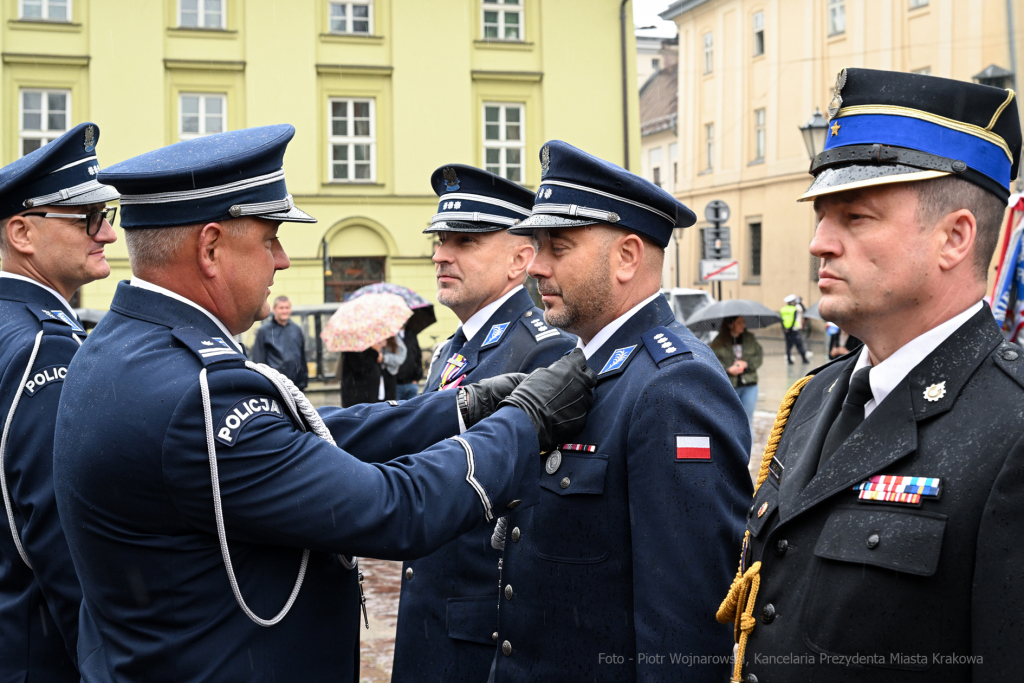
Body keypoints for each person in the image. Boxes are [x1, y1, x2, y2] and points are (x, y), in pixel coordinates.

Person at [51, 125, 596, 683]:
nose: (283, 261)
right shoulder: (199, 395)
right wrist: (523, 423)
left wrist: (459, 409)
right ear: (210, 248)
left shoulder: (118, 348)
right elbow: (393, 507)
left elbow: (307, 432)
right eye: (269, 239)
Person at [718, 68, 1023, 682]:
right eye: (821, 216)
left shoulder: (1012, 429)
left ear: (954, 238)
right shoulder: (815, 397)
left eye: (855, 217)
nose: (819, 244)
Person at [495, 140, 752, 682]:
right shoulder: (584, 365)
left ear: (628, 256)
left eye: (557, 248)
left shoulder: (673, 386)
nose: (536, 267)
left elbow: (685, 625)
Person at [390, 164, 576, 683]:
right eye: (440, 240)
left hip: (481, 635)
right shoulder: (454, 346)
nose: (440, 254)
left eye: (465, 241)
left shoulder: (544, 349)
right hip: (431, 613)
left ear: (521, 259)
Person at [0, 122, 119, 682]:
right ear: (22, 233)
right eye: (88, 219)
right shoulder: (44, 345)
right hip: (37, 652)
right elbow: (60, 533)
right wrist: (108, 667)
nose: (108, 234)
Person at [710, 315, 763, 437]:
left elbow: (758, 357)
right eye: (739, 323)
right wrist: (728, 368)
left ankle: (747, 454)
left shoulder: (750, 339)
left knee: (747, 421)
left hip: (750, 386)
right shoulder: (718, 342)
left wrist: (747, 364)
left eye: (743, 322)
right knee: (730, 421)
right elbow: (712, 361)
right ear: (730, 324)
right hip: (730, 387)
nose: (743, 325)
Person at [250, 295, 307, 389]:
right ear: (274, 309)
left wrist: (304, 380)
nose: (285, 311)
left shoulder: (296, 329)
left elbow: (302, 357)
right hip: (275, 385)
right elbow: (258, 358)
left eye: (287, 308)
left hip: (296, 385)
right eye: (281, 308)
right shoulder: (264, 331)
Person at [780, 294, 811, 364]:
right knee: (799, 344)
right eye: (793, 301)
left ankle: (789, 359)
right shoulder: (794, 309)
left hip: (786, 330)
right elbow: (793, 319)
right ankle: (804, 359)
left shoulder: (783, 309)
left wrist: (785, 328)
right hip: (794, 329)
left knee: (788, 345)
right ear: (791, 302)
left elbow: (781, 320)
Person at [394, 326, 422, 399]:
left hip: (411, 382)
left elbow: (418, 356)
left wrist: (417, 378)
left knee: (413, 409)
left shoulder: (411, 334)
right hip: (396, 384)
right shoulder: (392, 336)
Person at [379, 334, 406, 401]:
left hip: (390, 375)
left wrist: (384, 358)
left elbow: (401, 357)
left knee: (390, 401)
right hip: (377, 375)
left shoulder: (394, 338)